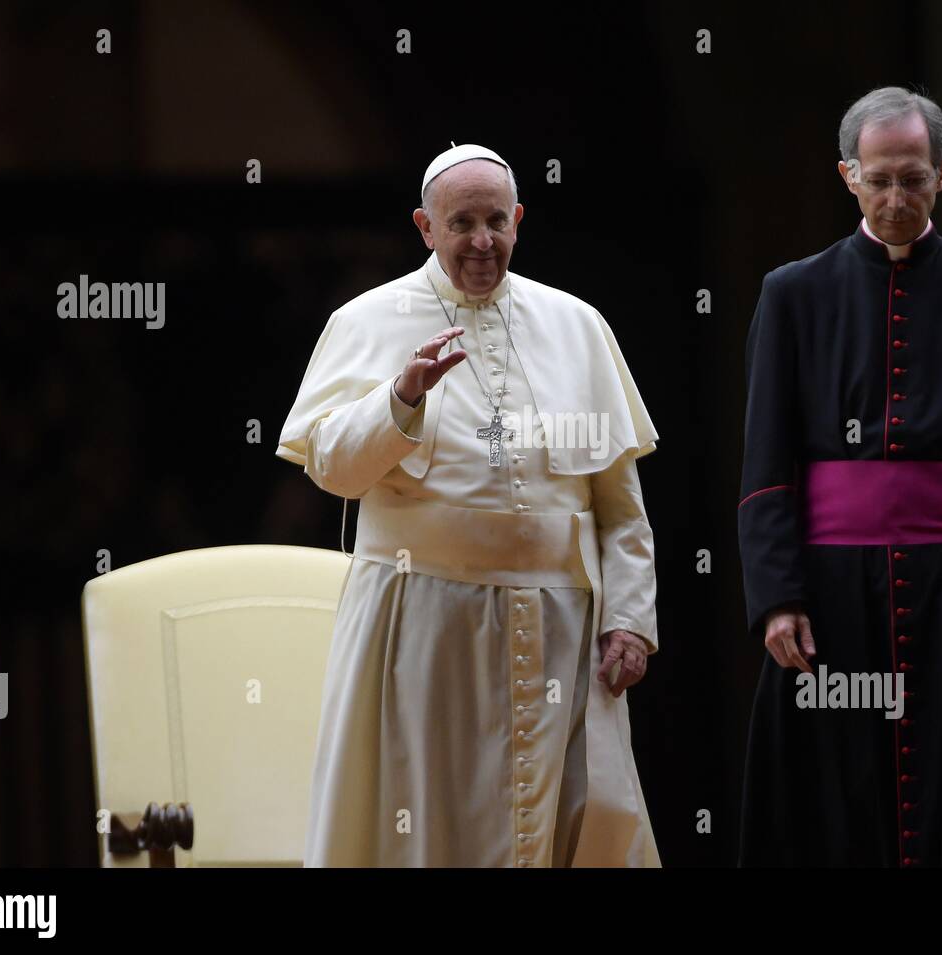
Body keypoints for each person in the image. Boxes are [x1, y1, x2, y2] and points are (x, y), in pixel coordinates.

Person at [277, 143, 662, 867]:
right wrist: (402, 399)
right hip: (421, 625)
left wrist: (631, 622)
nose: (482, 242)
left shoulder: (577, 325)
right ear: (426, 227)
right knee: (429, 825)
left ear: (518, 220)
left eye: (496, 222)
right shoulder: (366, 319)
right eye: (462, 224)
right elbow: (331, 469)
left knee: (581, 822)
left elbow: (620, 505)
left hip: (562, 630)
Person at [737, 88, 942, 867]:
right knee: (831, 795)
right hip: (829, 589)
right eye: (878, 179)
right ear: (848, 175)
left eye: (913, 178)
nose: (894, 198)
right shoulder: (792, 293)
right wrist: (776, 597)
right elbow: (764, 461)